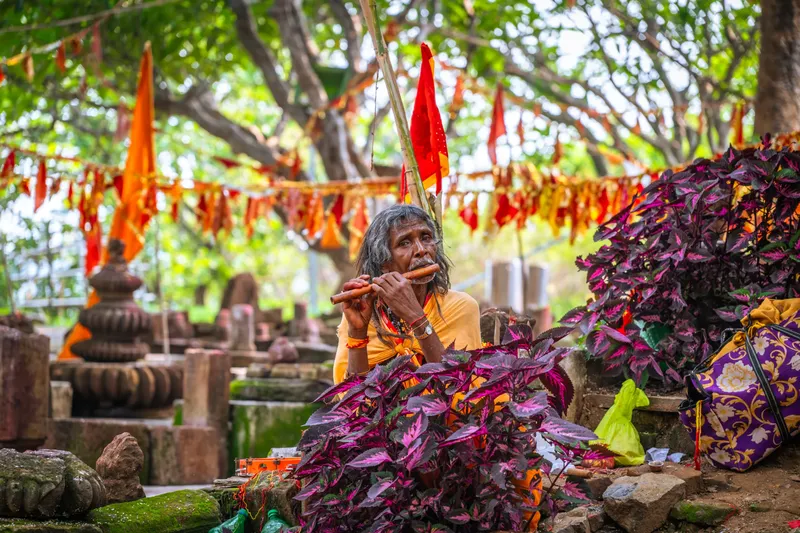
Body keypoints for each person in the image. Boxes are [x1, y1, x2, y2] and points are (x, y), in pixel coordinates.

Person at [333, 204, 482, 384]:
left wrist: (416, 318)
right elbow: (352, 398)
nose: (421, 250)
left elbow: (459, 389)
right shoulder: (364, 312)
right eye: (404, 243)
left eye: (426, 238)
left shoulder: (461, 307)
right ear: (383, 263)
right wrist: (358, 332)